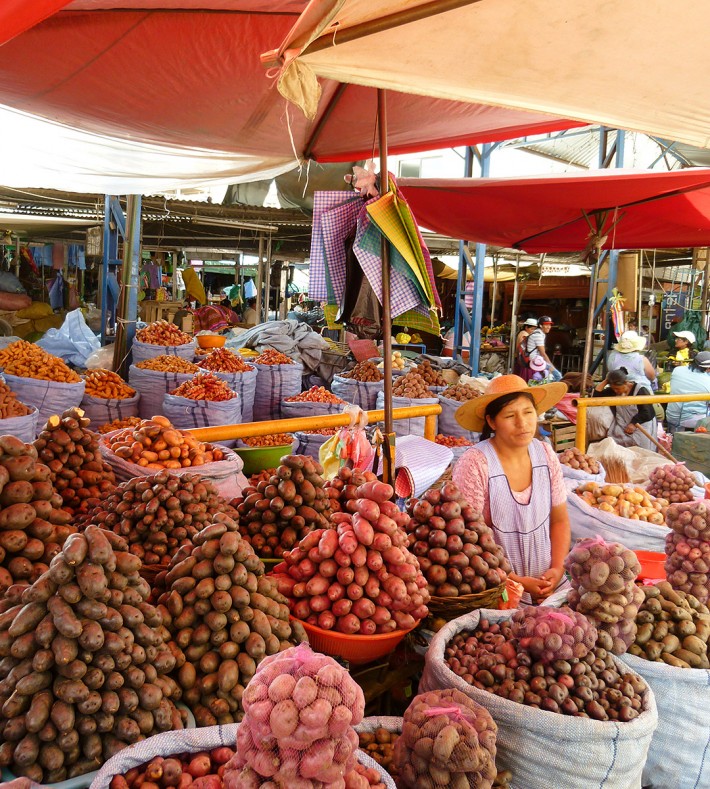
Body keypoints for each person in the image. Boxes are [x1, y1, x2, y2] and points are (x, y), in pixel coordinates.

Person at [452, 375, 571, 605]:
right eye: (510, 415)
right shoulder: (476, 463)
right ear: (492, 421)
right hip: (495, 587)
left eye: (528, 412)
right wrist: (516, 581)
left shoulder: (546, 455)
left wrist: (557, 568)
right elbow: (466, 540)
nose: (523, 423)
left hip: (549, 584)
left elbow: (559, 521)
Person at [592, 368, 657, 449]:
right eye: (613, 388)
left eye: (618, 388)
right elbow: (596, 396)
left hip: (642, 426)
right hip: (623, 427)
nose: (616, 391)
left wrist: (634, 423)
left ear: (626, 383)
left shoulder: (640, 391)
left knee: (642, 451)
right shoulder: (613, 391)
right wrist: (606, 380)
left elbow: (647, 412)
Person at [666, 351, 710, 432]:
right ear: (708, 369)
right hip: (694, 423)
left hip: (672, 417)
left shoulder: (677, 370)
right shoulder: (707, 381)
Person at [525, 315, 562, 381]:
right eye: (546, 325)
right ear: (541, 325)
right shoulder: (538, 335)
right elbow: (543, 354)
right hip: (535, 361)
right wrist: (552, 367)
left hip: (538, 360)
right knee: (558, 376)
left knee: (550, 378)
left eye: (550, 325)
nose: (549, 327)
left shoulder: (540, 333)